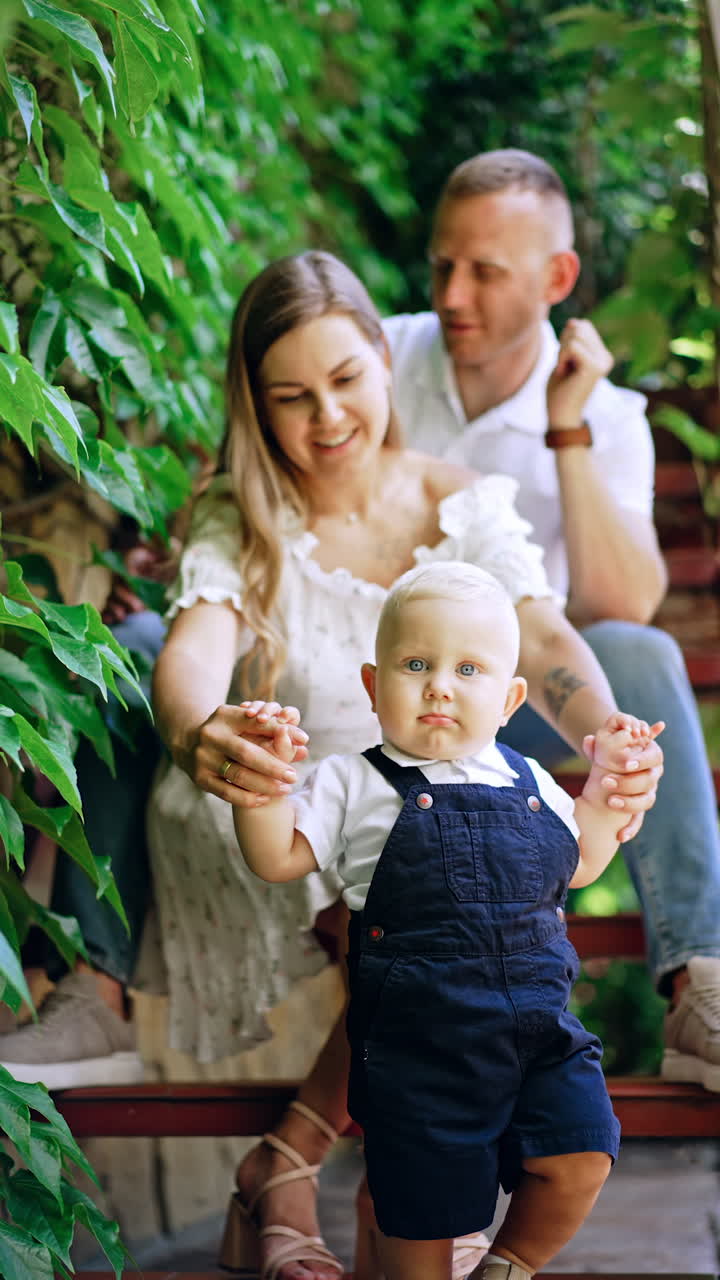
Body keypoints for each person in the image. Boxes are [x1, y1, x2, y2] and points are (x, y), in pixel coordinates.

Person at [141, 250, 661, 1280]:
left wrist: (608, 736)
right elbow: (191, 658)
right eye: (290, 397)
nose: (326, 416)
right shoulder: (242, 514)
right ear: (256, 405)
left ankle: (315, 1166)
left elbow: (549, 648)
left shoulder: (463, 502)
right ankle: (409, 1189)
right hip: (292, 797)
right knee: (411, 891)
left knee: (441, 901)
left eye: (345, 379)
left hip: (433, 815)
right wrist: (208, 735)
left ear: (388, 359)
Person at [383, 147, 720, 1094]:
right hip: (378, 693)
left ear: (557, 278)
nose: (453, 294)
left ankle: (700, 981)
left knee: (639, 654)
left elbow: (624, 607)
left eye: (485, 271)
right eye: (444, 263)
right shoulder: (380, 358)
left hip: (519, 703)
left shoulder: (605, 414)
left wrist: (564, 427)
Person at [231, 562, 663, 1280]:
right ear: (374, 688)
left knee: (583, 1151)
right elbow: (278, 856)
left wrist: (612, 796)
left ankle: (510, 1265)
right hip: (418, 1055)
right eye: (415, 664)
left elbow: (580, 861)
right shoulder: (354, 781)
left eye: (468, 668)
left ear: (509, 699)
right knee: (422, 1240)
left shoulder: (531, 781)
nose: (439, 684)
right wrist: (263, 789)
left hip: (538, 1037)